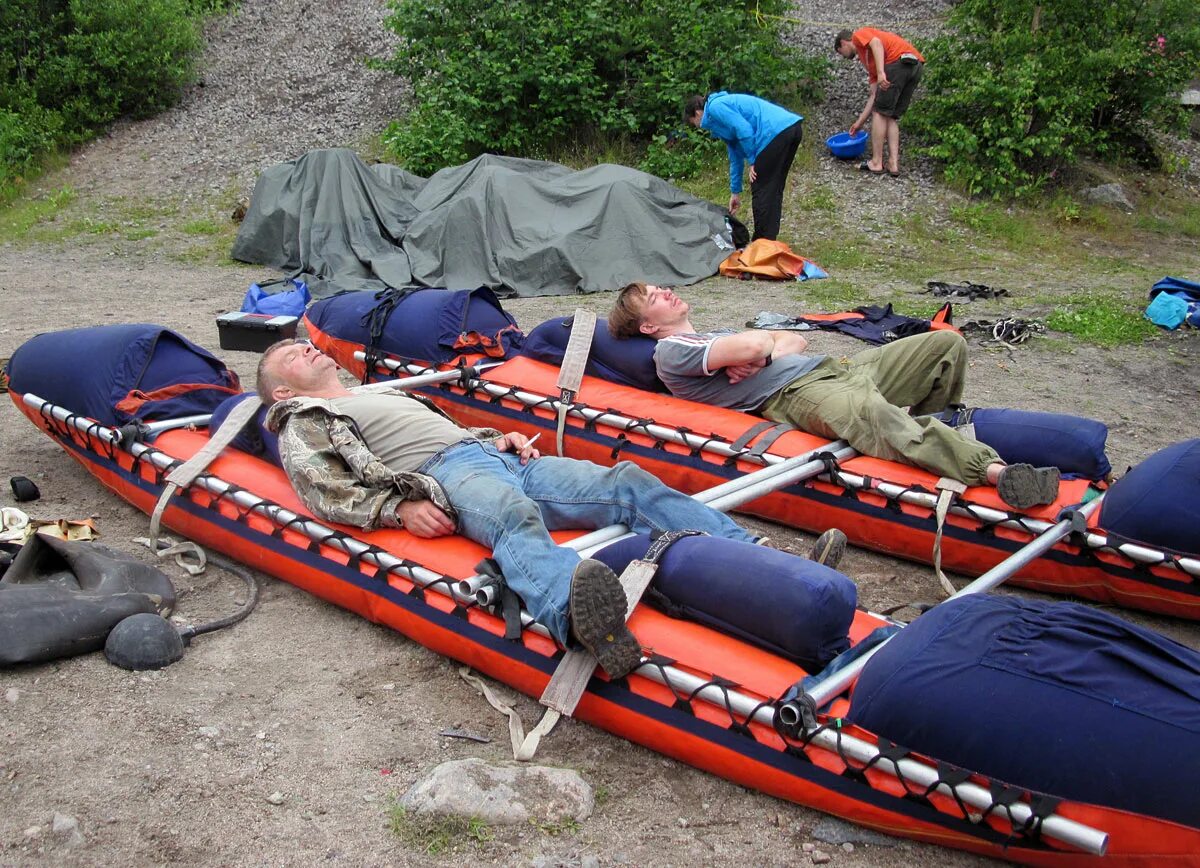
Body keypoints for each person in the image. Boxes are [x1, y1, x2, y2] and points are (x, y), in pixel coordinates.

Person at [258, 338, 791, 679]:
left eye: (305, 343)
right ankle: (577, 621)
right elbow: (321, 488)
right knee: (513, 516)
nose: (306, 348)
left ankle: (754, 555)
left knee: (624, 480)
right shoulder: (306, 418)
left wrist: (501, 435)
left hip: (495, 455)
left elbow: (454, 430)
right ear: (282, 391)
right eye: (291, 355)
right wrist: (397, 510)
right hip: (448, 474)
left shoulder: (382, 393)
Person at [608, 284, 1061, 510]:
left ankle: (932, 434)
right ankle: (996, 472)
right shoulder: (671, 352)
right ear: (647, 326)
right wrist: (759, 347)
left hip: (837, 369)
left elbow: (792, 342)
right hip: (797, 394)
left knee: (945, 344)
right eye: (653, 297)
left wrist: (762, 351)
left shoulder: (710, 335)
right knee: (876, 416)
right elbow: (756, 345)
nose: (665, 291)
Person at [683, 92, 803, 242]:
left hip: (774, 132)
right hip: (791, 128)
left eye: (693, 122)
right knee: (773, 188)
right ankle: (768, 241)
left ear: (697, 112)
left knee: (761, 188)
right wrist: (735, 193)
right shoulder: (718, 118)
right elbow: (735, 156)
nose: (697, 126)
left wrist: (753, 161)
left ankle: (761, 243)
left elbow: (744, 129)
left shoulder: (714, 107)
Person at [834, 27, 925, 177]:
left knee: (879, 113)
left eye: (840, 52)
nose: (843, 57)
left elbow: (876, 43)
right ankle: (893, 164)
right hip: (915, 66)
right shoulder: (869, 61)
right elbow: (874, 95)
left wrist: (882, 72)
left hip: (897, 63)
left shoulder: (858, 36)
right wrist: (859, 122)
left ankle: (876, 162)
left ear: (844, 43)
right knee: (890, 115)